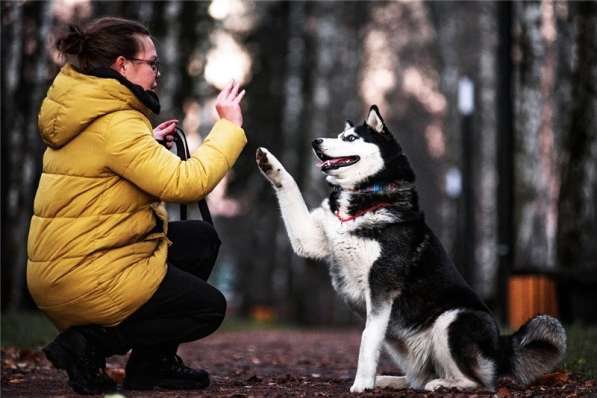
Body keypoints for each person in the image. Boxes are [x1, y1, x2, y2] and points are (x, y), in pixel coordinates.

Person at [26, 17, 247, 394]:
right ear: (122, 66)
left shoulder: (87, 112)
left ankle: (152, 366)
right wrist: (227, 128)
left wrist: (148, 144)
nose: (157, 73)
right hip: (88, 273)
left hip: (72, 265)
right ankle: (87, 345)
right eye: (152, 63)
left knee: (199, 240)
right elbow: (186, 182)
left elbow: (109, 173)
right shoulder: (117, 123)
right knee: (207, 308)